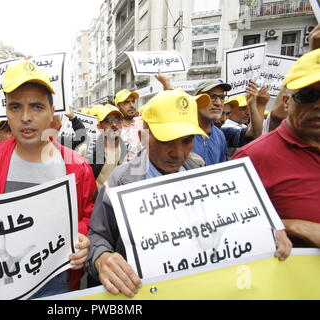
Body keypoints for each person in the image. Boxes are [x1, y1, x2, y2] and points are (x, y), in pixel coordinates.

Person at [85, 89, 292, 298]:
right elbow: (97, 235)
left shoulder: (202, 173)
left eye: (186, 140)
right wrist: (101, 257)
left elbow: (230, 223)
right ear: (143, 136)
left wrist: (263, 229)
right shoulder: (119, 183)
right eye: (166, 141)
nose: (178, 153)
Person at [0, 60, 96, 298]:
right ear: (6, 112)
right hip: (0, 282)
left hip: (58, 283)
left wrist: (82, 235)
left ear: (51, 113)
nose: (26, 117)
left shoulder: (77, 167)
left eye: (36, 106)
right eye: (15, 107)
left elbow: (90, 215)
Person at [233, 48, 320, 248]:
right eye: (308, 96)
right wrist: (291, 227)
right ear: (287, 102)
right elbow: (224, 232)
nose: (318, 105)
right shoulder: (252, 158)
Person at [191, 80, 263, 165]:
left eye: (222, 98)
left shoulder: (220, 135)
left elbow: (255, 132)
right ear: (197, 99)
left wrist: (253, 105)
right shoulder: (183, 134)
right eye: (212, 97)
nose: (218, 103)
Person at [84, 104, 128, 189]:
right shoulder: (88, 150)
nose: (114, 124)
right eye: (108, 121)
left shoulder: (128, 150)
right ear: (99, 127)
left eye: (117, 120)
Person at [115, 89, 142, 162]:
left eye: (133, 101)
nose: (132, 105)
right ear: (118, 107)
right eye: (126, 102)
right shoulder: (113, 129)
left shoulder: (142, 122)